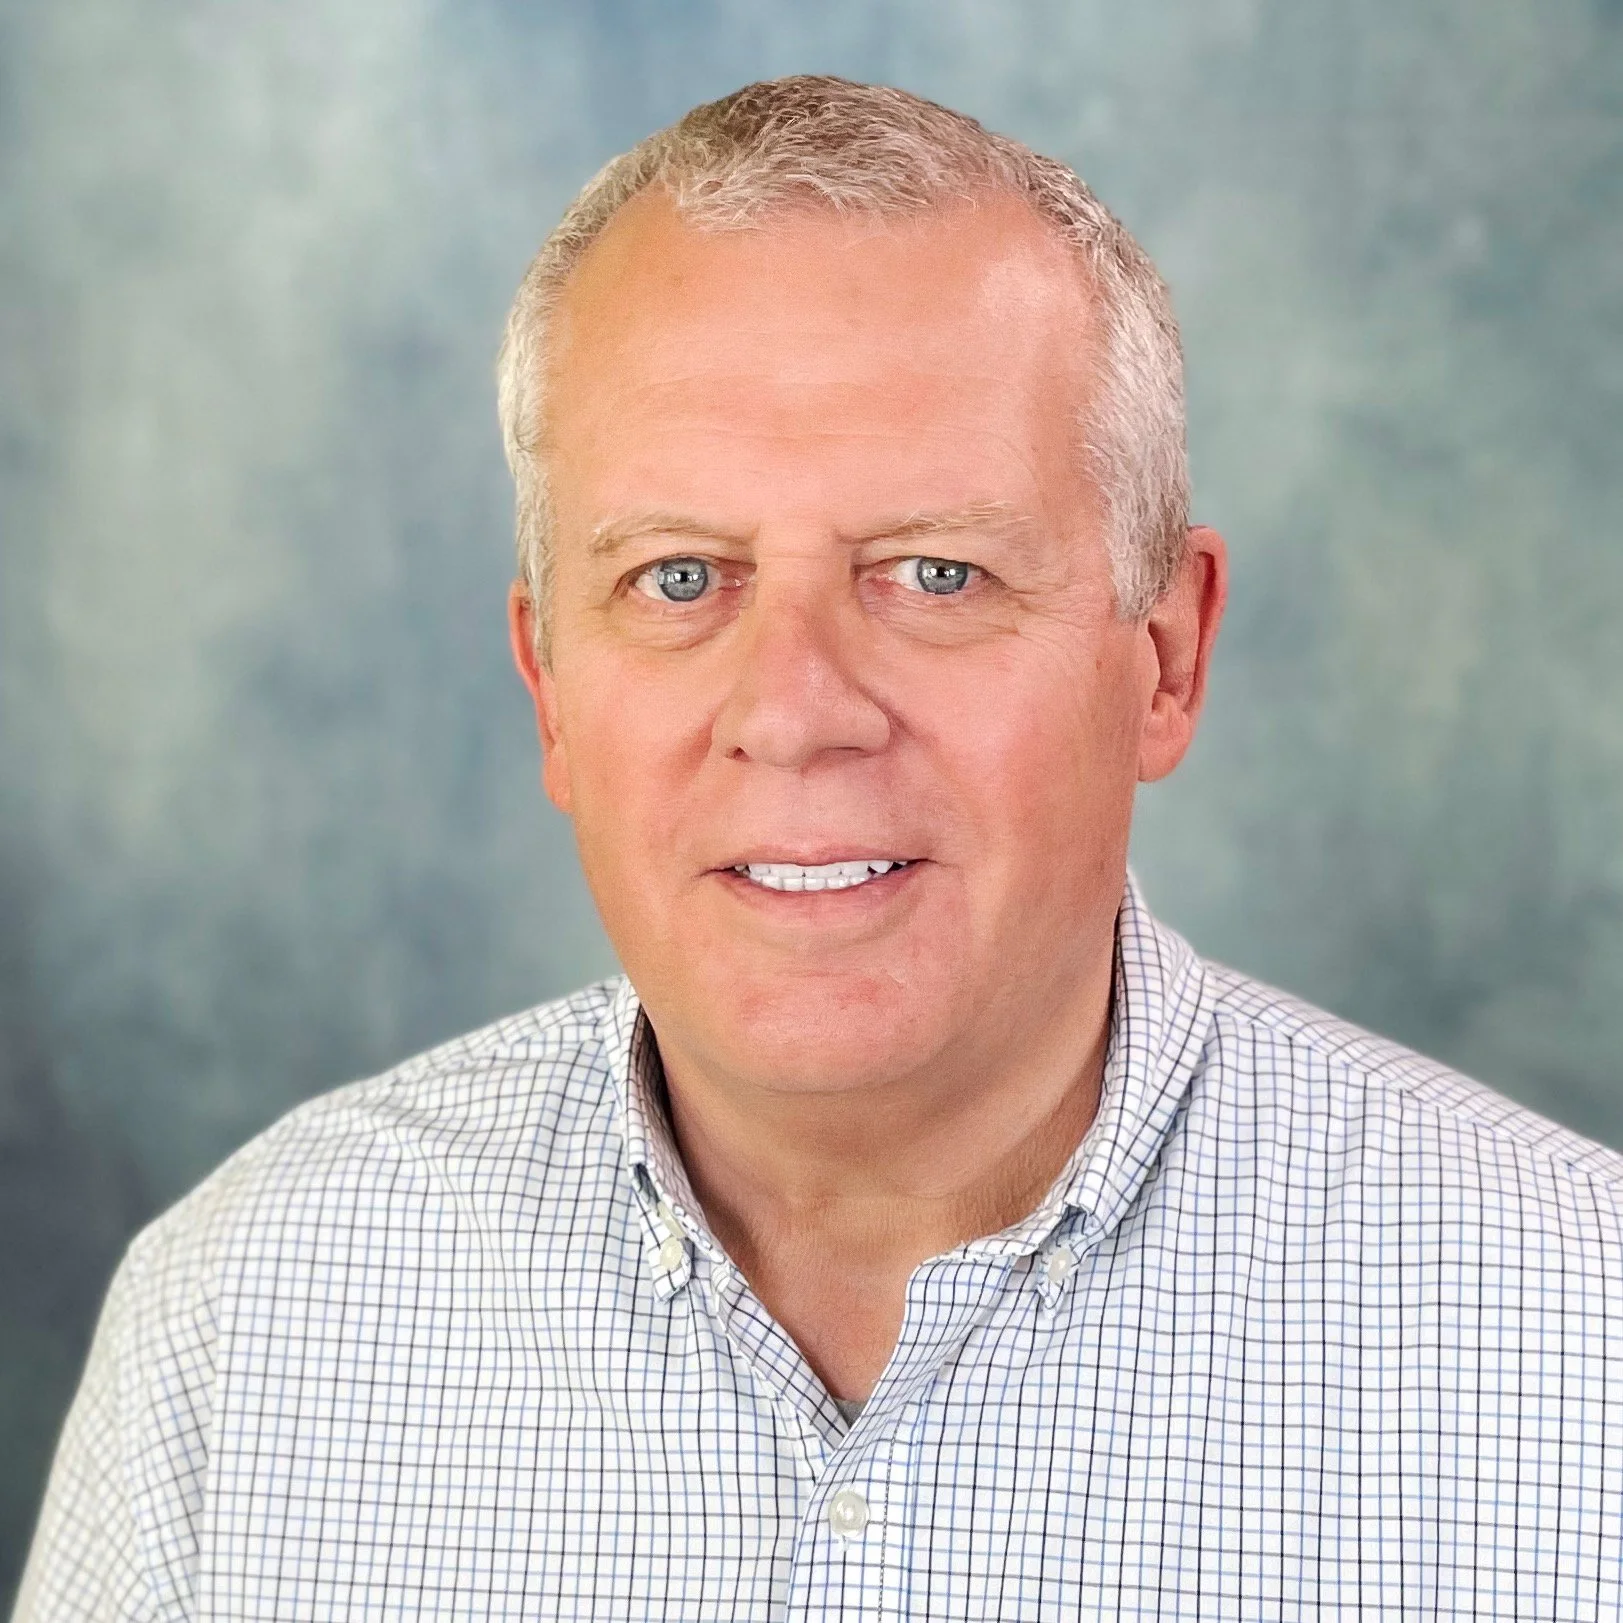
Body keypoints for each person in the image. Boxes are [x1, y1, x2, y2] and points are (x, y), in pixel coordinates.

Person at [17, 75, 1623, 1622]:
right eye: (674, 577)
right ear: (551, 691)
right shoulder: (244, 1317)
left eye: (931, 573)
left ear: (1166, 656)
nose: (792, 712)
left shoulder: (1577, 1346)